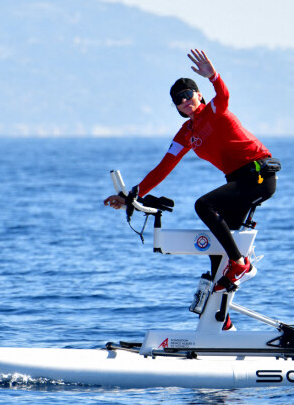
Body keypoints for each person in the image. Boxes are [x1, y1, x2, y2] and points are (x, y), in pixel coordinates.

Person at [104, 49, 278, 299]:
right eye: (178, 99)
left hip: (258, 177)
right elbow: (163, 167)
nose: (184, 101)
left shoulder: (215, 110)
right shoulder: (186, 133)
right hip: (238, 182)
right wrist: (132, 195)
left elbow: (224, 95)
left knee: (204, 205)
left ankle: (240, 264)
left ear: (198, 95)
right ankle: (223, 312)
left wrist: (214, 76)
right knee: (217, 244)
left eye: (187, 95)